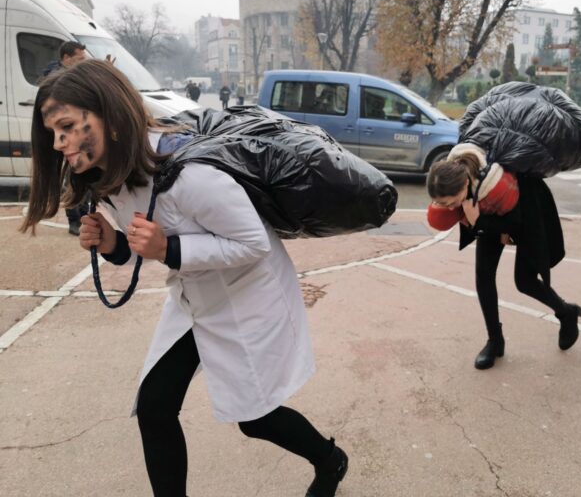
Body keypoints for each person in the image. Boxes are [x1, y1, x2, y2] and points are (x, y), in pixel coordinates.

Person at [21, 60, 349, 497]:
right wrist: (112, 244)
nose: (59, 143)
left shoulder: (191, 172)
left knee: (254, 419)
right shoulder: (106, 173)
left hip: (249, 299)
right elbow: (143, 243)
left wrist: (168, 250)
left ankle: (330, 461)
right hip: (194, 299)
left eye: (66, 127)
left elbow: (254, 243)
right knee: (155, 408)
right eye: (52, 134)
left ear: (110, 116)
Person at [426, 143, 581, 370]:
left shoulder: (497, 187)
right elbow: (472, 216)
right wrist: (476, 221)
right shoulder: (451, 177)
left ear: (465, 184)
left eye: (450, 202)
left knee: (525, 281)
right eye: (442, 203)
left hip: (525, 211)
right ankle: (495, 340)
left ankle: (566, 313)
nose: (449, 208)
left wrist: (480, 221)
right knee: (484, 276)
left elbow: (514, 221)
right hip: (489, 215)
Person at [41, 41, 89, 235]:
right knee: (71, 180)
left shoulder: (76, 77)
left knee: (83, 178)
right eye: (80, 58)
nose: (83, 62)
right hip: (67, 139)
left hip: (79, 136)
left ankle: (85, 216)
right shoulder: (55, 82)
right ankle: (74, 220)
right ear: (67, 58)